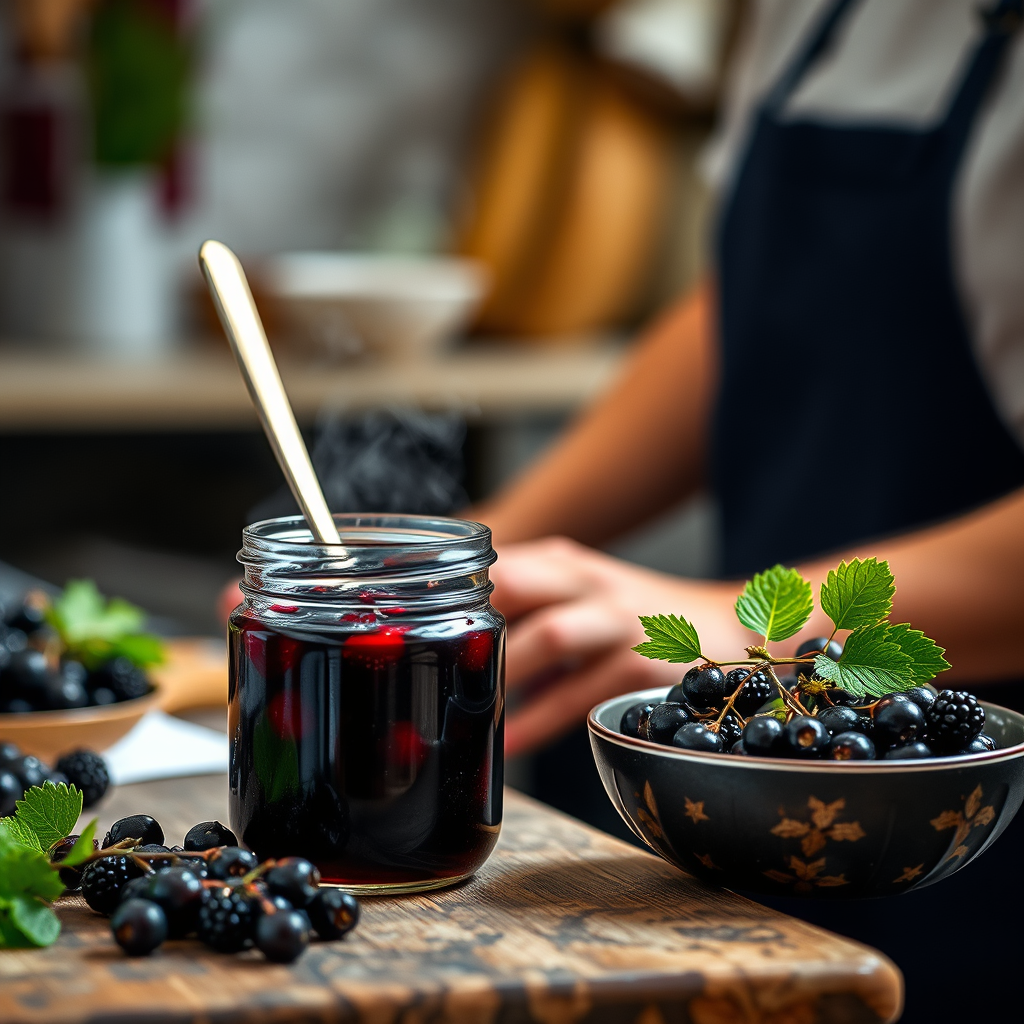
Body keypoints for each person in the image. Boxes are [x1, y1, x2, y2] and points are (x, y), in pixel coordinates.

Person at [471, 2, 1024, 1021]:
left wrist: (749, 627)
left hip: (973, 847)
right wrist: (476, 558)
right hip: (753, 803)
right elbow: (750, 310)